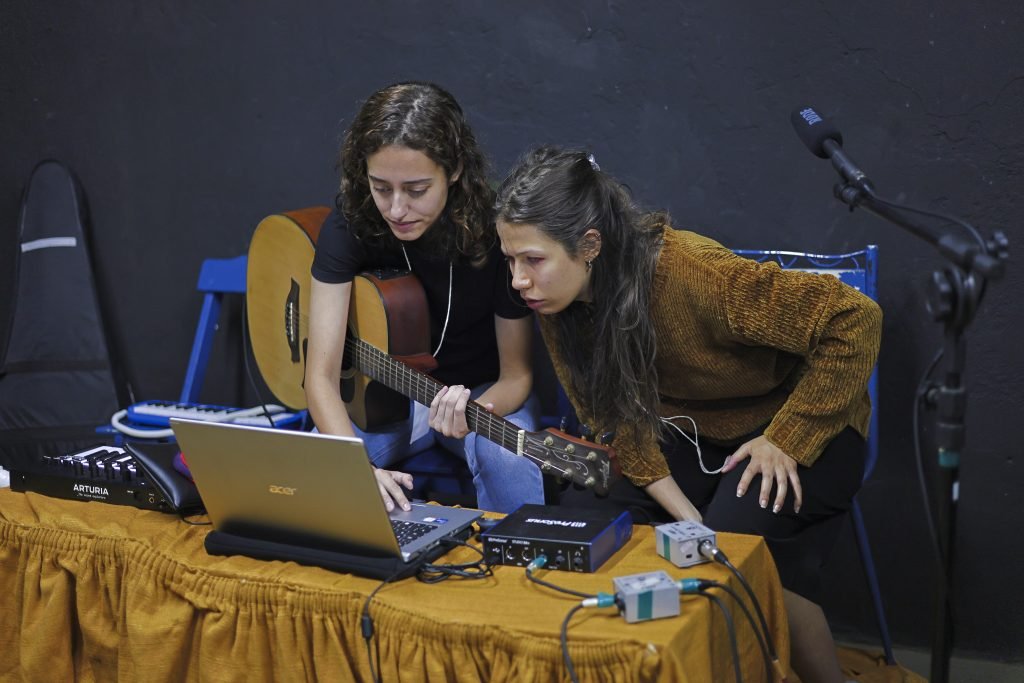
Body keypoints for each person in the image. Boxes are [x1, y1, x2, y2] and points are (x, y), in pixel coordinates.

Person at [493, 146, 882, 683]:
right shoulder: (558, 303)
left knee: (732, 551)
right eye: (510, 260)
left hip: (798, 423)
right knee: (584, 517)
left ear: (589, 246)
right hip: (685, 432)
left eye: (532, 260)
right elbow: (614, 420)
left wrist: (788, 438)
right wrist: (685, 517)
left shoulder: (695, 274)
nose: (517, 280)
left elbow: (855, 318)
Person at [305, 82, 544, 514]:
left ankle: (519, 573)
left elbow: (517, 376)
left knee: (506, 458)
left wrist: (473, 411)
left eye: (416, 190)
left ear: (453, 169)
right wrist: (353, 466)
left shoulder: (495, 230)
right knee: (309, 476)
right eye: (381, 187)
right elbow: (320, 375)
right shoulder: (353, 221)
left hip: (482, 393)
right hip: (386, 402)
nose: (396, 209)